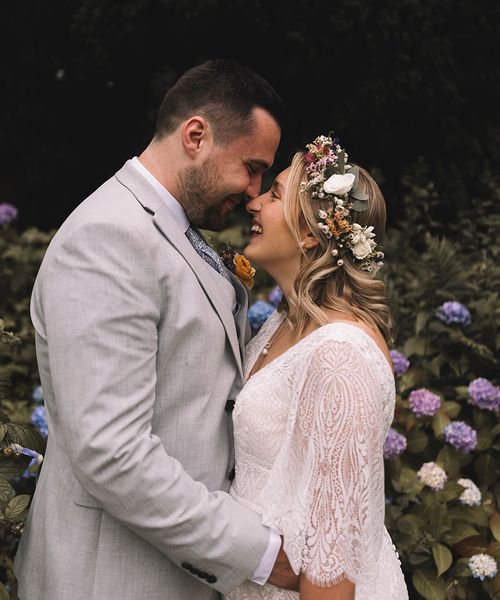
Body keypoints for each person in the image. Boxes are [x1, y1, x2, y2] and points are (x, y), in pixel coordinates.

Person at [14, 59, 298, 600]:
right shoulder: (108, 238)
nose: (256, 190)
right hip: (108, 578)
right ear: (196, 135)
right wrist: (257, 553)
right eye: (252, 167)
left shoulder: (167, 227)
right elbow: (112, 450)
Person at [225, 134, 409, 599]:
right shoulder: (282, 325)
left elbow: (332, 562)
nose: (254, 203)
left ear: (309, 233)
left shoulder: (342, 354)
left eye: (273, 195)